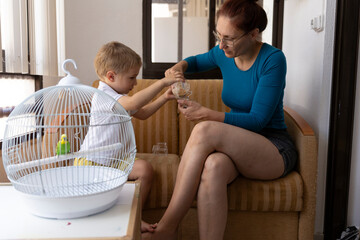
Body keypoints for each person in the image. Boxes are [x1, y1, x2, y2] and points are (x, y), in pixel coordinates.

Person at [142, 0, 298, 239]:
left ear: (254, 34)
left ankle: (166, 229)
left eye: (230, 38)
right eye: (219, 35)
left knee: (205, 130)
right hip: (238, 147)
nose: (221, 44)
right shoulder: (224, 53)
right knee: (213, 167)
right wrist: (179, 68)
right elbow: (195, 61)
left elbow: (257, 120)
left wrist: (207, 115)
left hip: (272, 148)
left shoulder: (273, 60)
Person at [77, 41, 184, 233]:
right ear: (111, 76)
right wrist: (162, 82)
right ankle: (116, 221)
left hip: (113, 161)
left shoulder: (119, 97)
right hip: (91, 163)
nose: (135, 83)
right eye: (132, 78)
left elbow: (141, 112)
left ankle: (133, 218)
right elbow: (134, 101)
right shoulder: (103, 96)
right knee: (98, 205)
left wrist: (165, 97)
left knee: (145, 169)